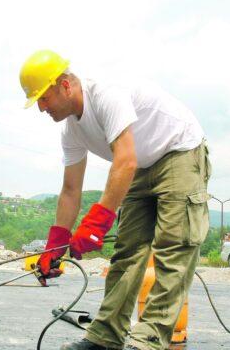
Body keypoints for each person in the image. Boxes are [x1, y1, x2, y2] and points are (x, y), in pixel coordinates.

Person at [19, 50, 211, 350]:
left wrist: (96, 223)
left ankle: (147, 341)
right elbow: (71, 190)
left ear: (65, 86)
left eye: (44, 97)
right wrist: (56, 244)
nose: (41, 108)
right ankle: (105, 337)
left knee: (173, 249)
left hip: (179, 150)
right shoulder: (71, 131)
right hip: (141, 164)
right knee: (127, 252)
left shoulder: (106, 94)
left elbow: (125, 161)